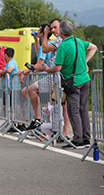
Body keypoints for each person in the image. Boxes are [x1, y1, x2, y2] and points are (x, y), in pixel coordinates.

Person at [40, 21, 97, 149]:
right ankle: (86, 138)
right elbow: (94, 47)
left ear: (60, 33)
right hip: (84, 79)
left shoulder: (63, 46)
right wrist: (84, 62)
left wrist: (48, 69)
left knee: (73, 110)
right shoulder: (79, 41)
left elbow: (57, 67)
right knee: (83, 109)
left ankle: (78, 139)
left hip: (73, 82)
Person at [18, 24, 52, 130]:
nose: (36, 31)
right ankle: (48, 127)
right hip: (53, 75)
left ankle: (37, 117)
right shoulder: (48, 44)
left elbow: (38, 65)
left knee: (29, 90)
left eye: (38, 31)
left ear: (42, 33)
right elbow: (39, 54)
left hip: (51, 75)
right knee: (51, 103)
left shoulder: (44, 46)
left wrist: (24, 72)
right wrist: (36, 40)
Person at [0, 48, 25, 132]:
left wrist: (2, 72)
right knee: (11, 106)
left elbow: (9, 70)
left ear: (6, 55)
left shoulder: (11, 62)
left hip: (12, 88)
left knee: (9, 106)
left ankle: (13, 124)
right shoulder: (10, 62)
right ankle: (15, 123)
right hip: (10, 87)